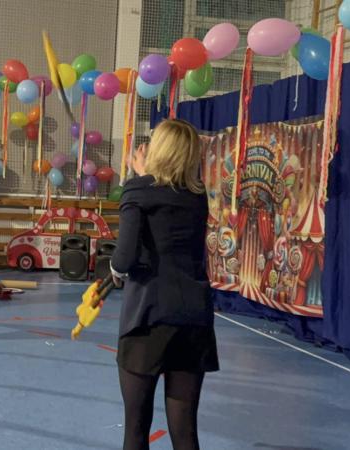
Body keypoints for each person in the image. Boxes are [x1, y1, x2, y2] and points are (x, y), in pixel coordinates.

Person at [110, 119, 218, 450]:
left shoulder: (138, 191)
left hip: (148, 317)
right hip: (193, 318)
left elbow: (124, 259)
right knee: (184, 431)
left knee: (136, 429)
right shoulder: (197, 197)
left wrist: (138, 180)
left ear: (160, 151)